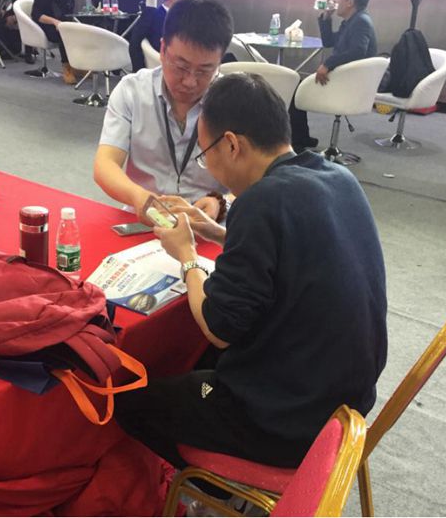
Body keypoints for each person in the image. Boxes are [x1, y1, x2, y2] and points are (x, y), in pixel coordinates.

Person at [114, 72, 388, 479]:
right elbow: (293, 249)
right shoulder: (335, 176)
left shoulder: (261, 201)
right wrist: (218, 232)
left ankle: (216, 489)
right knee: (196, 364)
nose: (208, 166)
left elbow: (220, 328)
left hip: (288, 422)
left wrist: (187, 255)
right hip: (346, 404)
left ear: (231, 144)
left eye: (205, 153)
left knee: (128, 402)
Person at [93, 0, 234, 223]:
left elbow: (260, 180)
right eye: (181, 67)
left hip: (209, 226)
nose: (190, 81)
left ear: (219, 62)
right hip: (143, 219)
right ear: (162, 49)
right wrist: (138, 196)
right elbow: (105, 165)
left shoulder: (234, 101)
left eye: (204, 71)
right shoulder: (132, 91)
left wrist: (222, 202)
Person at [290, 0, 378, 151]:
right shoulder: (353, 21)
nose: (337, 0)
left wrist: (327, 64)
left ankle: (299, 140)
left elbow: (358, 51)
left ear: (350, 2)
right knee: (296, 84)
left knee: (294, 86)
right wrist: (326, 17)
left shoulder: (360, 22)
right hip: (345, 78)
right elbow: (329, 41)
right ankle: (301, 138)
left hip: (349, 83)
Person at [31, 0, 78, 84]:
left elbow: (68, 14)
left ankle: (78, 65)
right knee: (64, 33)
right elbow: (36, 14)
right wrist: (55, 22)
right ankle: (67, 67)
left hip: (62, 23)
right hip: (45, 25)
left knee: (80, 32)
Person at [128, 0, 190, 72]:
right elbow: (134, 44)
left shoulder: (183, 19)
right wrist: (140, 72)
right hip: (165, 63)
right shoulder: (152, 16)